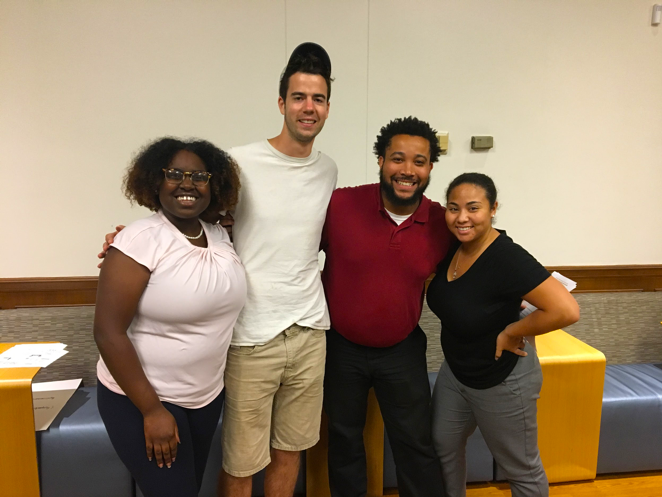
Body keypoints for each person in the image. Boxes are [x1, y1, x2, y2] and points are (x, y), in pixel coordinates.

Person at [99, 43, 336, 497]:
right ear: (281, 103)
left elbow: (214, 229)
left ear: (327, 106)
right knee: (242, 462)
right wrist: (126, 240)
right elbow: (185, 213)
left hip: (310, 329)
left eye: (318, 99)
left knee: (291, 451)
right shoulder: (239, 162)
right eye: (299, 97)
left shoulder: (328, 170)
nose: (309, 107)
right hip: (251, 334)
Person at [94, 137, 246, 497]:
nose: (187, 184)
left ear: (214, 185)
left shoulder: (219, 236)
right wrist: (152, 410)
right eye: (175, 174)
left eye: (200, 176)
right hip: (144, 400)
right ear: (155, 181)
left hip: (205, 398)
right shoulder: (139, 240)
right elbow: (108, 333)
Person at [426, 173, 580, 497]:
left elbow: (566, 310)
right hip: (456, 372)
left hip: (503, 378)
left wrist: (512, 330)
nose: (462, 217)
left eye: (473, 208)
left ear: (493, 208)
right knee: (443, 448)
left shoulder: (506, 257)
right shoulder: (455, 246)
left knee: (521, 469)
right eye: (453, 208)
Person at [321, 116, 451, 497]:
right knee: (343, 439)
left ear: (430, 168)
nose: (407, 170)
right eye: (397, 158)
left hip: (402, 348)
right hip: (340, 347)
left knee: (415, 442)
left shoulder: (441, 221)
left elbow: (480, 258)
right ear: (380, 160)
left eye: (419, 161)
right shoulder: (340, 204)